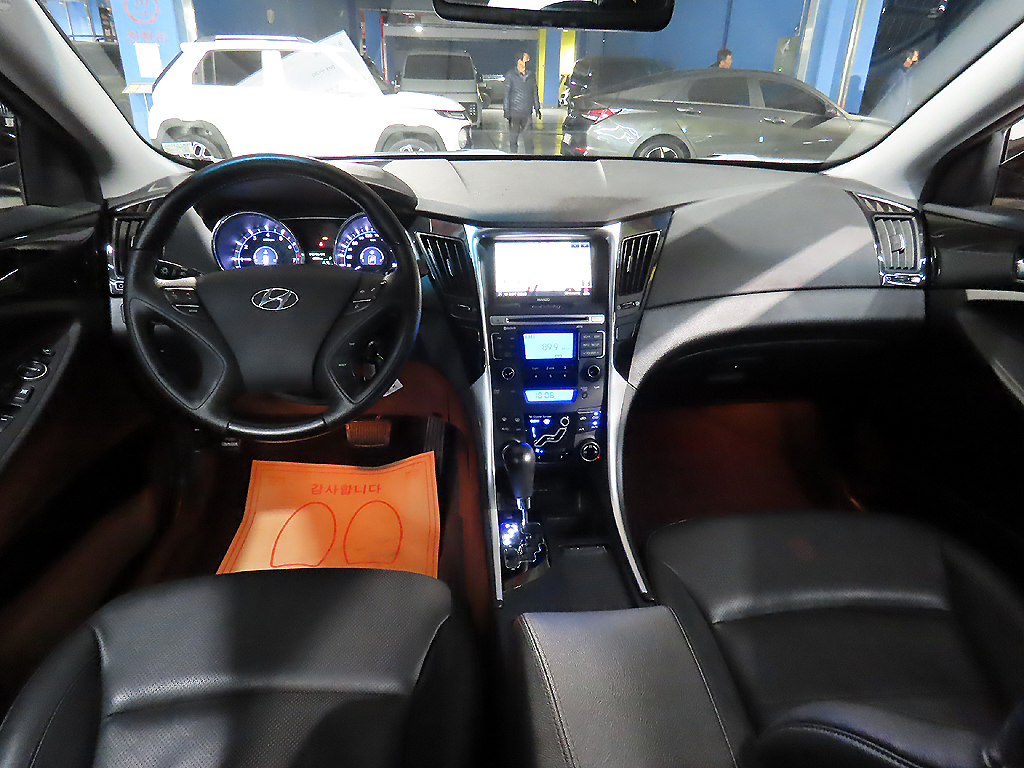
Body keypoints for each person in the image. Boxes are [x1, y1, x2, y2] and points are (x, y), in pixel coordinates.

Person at [503, 50, 541, 154]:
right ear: (519, 61)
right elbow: (506, 94)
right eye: (526, 59)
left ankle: (529, 157)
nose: (529, 61)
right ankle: (513, 157)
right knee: (513, 138)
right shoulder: (511, 75)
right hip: (514, 112)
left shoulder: (531, 75)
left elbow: (534, 92)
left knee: (528, 139)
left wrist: (537, 108)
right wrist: (506, 110)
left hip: (527, 112)